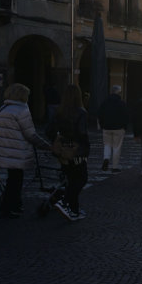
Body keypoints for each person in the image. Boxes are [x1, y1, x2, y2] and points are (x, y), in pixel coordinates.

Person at [0, 83, 51, 219]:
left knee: (12, 180)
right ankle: (10, 207)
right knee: (15, 182)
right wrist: (47, 146)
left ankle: (11, 205)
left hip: (4, 150)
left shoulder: (3, 109)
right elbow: (30, 134)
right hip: (16, 152)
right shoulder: (22, 110)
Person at [46, 84, 90, 220]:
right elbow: (82, 133)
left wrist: (59, 140)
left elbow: (49, 131)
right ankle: (65, 202)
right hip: (76, 151)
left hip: (62, 151)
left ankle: (74, 209)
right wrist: (85, 148)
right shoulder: (81, 112)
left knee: (71, 179)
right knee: (81, 179)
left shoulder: (58, 111)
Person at [97, 85, 129, 172]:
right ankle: (115, 167)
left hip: (106, 127)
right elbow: (126, 116)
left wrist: (102, 125)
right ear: (118, 92)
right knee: (116, 147)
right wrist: (125, 126)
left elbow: (100, 114)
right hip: (119, 128)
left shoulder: (105, 102)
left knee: (107, 145)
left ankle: (106, 158)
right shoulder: (122, 103)